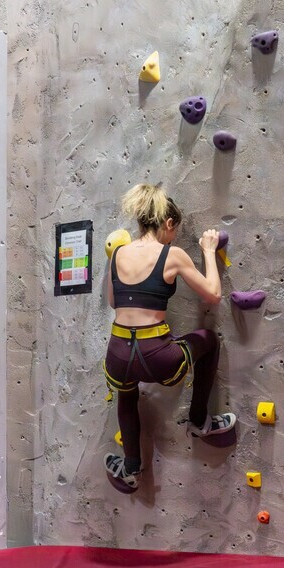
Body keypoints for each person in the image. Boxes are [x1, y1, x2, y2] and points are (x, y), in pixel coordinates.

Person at [103, 183, 236, 491]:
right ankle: (200, 421)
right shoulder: (172, 254)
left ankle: (131, 467)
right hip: (157, 358)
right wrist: (207, 251)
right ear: (168, 223)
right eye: (174, 231)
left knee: (127, 393)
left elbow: (113, 302)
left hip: (118, 356)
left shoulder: (118, 255)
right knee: (209, 339)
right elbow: (213, 295)